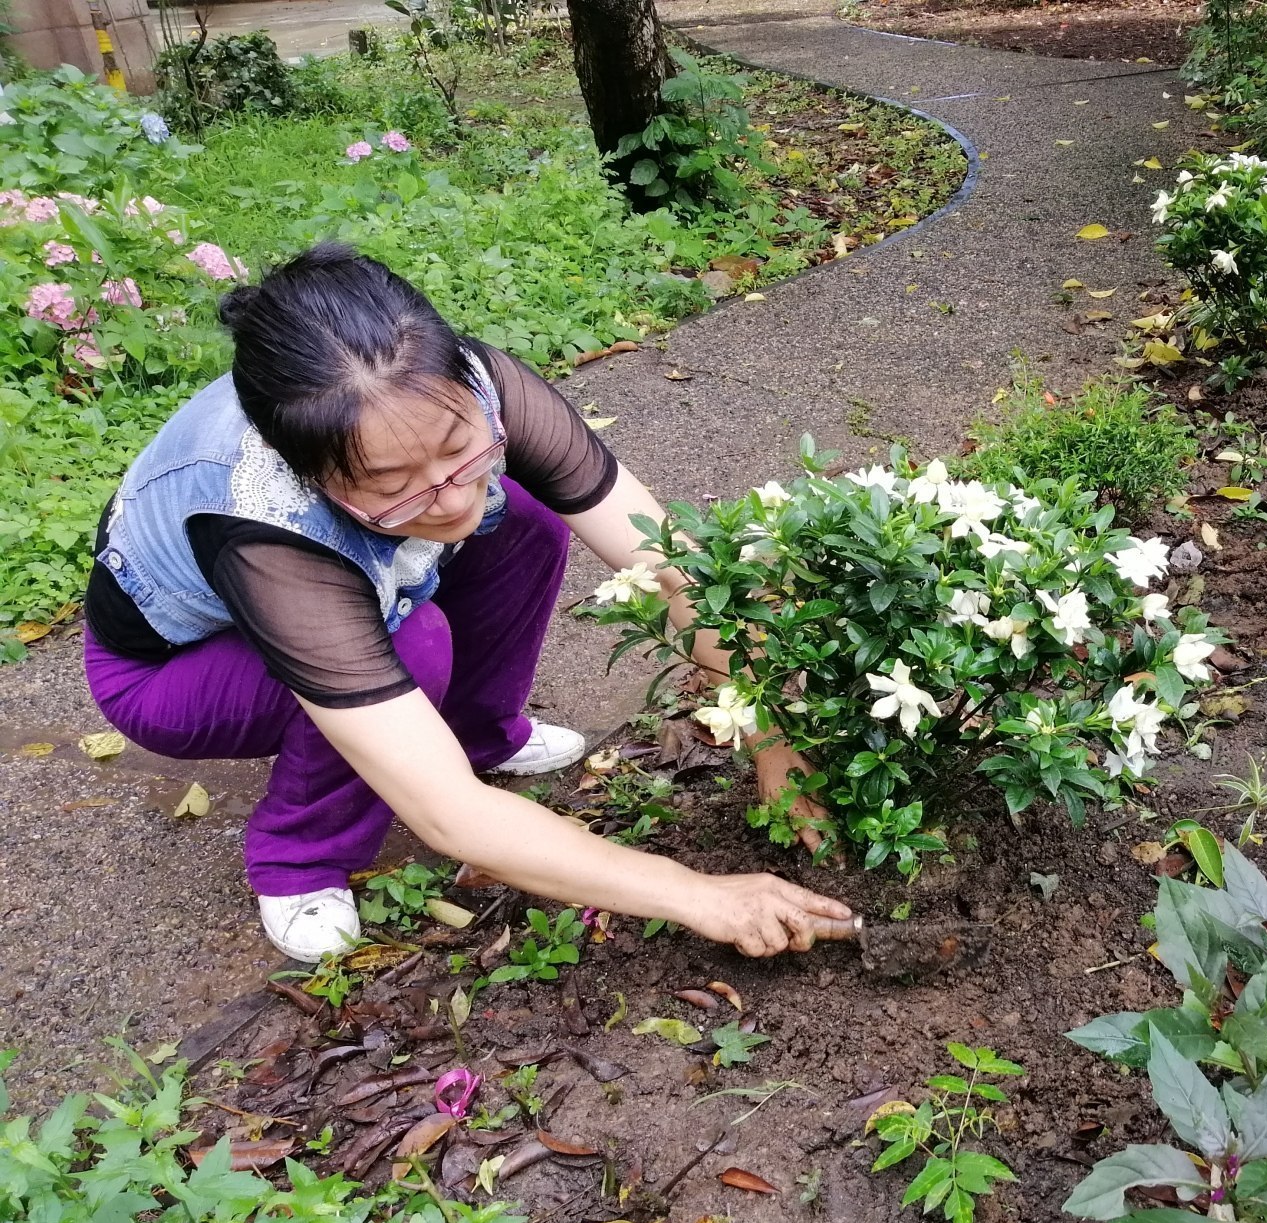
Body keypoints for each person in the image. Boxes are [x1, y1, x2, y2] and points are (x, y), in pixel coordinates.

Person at [84, 242, 850, 963]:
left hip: (341, 585)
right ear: (310, 474)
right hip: (170, 672)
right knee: (414, 644)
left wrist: (772, 744)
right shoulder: (265, 530)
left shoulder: (473, 383)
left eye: (459, 450)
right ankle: (299, 860)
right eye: (393, 485)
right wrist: (695, 894)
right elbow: (447, 815)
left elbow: (672, 567)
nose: (449, 499)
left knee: (520, 518)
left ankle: (483, 733)